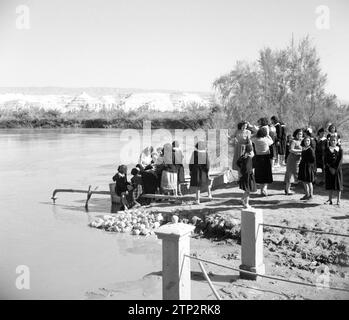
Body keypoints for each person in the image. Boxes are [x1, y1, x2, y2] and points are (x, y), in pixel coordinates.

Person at [251, 127, 273, 196]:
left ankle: (261, 190)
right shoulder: (266, 140)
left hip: (258, 157)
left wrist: (256, 133)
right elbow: (272, 141)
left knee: (260, 174)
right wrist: (267, 135)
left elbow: (250, 138)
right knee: (266, 173)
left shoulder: (255, 139)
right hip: (266, 157)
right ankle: (264, 189)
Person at [324, 135, 343, 206]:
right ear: (329, 141)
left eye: (334, 140)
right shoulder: (327, 149)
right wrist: (330, 168)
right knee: (330, 185)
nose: (333, 141)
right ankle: (330, 199)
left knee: (338, 186)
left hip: (337, 170)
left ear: (337, 141)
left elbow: (340, 161)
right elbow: (325, 160)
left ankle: (338, 200)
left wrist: (335, 169)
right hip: (329, 170)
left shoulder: (340, 150)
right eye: (331, 140)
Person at [236, 144, 256, 208]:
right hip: (248, 176)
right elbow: (248, 167)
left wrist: (241, 169)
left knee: (247, 190)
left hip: (243, 175)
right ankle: (246, 203)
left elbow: (238, 162)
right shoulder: (249, 157)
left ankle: (243, 200)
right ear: (251, 151)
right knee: (248, 190)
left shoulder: (243, 156)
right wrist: (249, 172)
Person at [284, 129, 303, 195]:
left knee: (295, 173)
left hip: (298, 159)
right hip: (292, 159)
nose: (300, 135)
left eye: (301, 134)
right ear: (296, 134)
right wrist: (300, 151)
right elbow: (291, 150)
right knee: (290, 173)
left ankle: (288, 189)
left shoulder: (302, 141)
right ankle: (287, 189)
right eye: (299, 134)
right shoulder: (293, 141)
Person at [298, 136, 316, 201]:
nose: (306, 142)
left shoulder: (311, 149)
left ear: (310, 142)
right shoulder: (304, 149)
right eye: (305, 141)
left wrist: (310, 166)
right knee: (304, 181)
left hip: (308, 167)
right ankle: (307, 194)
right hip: (303, 166)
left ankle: (311, 195)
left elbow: (313, 160)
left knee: (309, 182)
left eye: (308, 141)